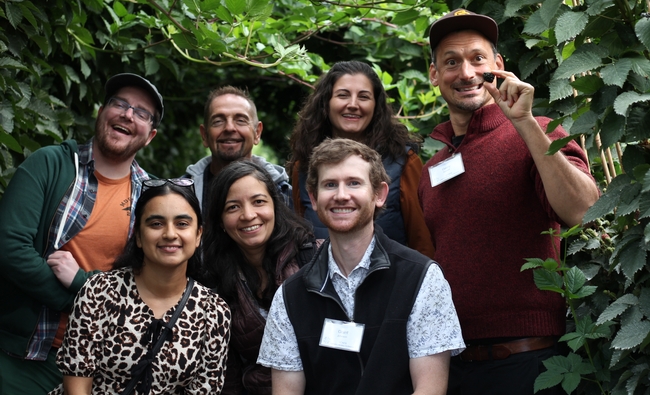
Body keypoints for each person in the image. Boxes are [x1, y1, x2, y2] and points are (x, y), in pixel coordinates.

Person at [417, 9, 600, 395]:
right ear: (434, 74)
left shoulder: (538, 131)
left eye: (477, 59)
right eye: (451, 62)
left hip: (529, 364)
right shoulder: (431, 168)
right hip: (455, 368)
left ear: (498, 65)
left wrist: (526, 124)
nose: (465, 73)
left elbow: (583, 211)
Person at [258, 138, 464, 395]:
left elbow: (430, 389)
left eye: (354, 183)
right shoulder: (289, 297)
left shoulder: (421, 278)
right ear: (314, 196)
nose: (341, 195)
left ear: (379, 194)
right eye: (330, 185)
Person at [0, 73, 164, 394]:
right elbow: (10, 247)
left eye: (141, 113)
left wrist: (81, 286)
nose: (128, 114)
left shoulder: (154, 198)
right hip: (26, 358)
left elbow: (155, 289)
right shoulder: (51, 164)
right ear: (102, 112)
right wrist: (73, 300)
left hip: (106, 368)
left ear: (150, 136)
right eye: (120, 104)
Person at [49, 178, 231, 394]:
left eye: (182, 224)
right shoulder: (98, 292)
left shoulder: (214, 312)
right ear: (138, 236)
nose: (170, 234)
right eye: (156, 224)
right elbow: (77, 383)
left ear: (198, 234)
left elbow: (205, 389)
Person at [288, 61, 435, 258]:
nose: (353, 104)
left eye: (363, 97)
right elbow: (300, 237)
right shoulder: (304, 165)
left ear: (376, 105)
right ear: (326, 102)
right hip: (321, 284)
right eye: (343, 95)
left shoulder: (404, 161)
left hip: (391, 282)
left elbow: (422, 242)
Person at [202, 160, 316, 395]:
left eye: (258, 202)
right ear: (220, 221)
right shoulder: (213, 282)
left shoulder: (313, 258)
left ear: (275, 205)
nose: (248, 215)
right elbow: (227, 375)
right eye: (233, 207)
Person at [185, 86, 291, 213]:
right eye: (218, 121)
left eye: (240, 120)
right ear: (204, 135)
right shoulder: (181, 194)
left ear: (257, 132)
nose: (229, 128)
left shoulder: (286, 195)